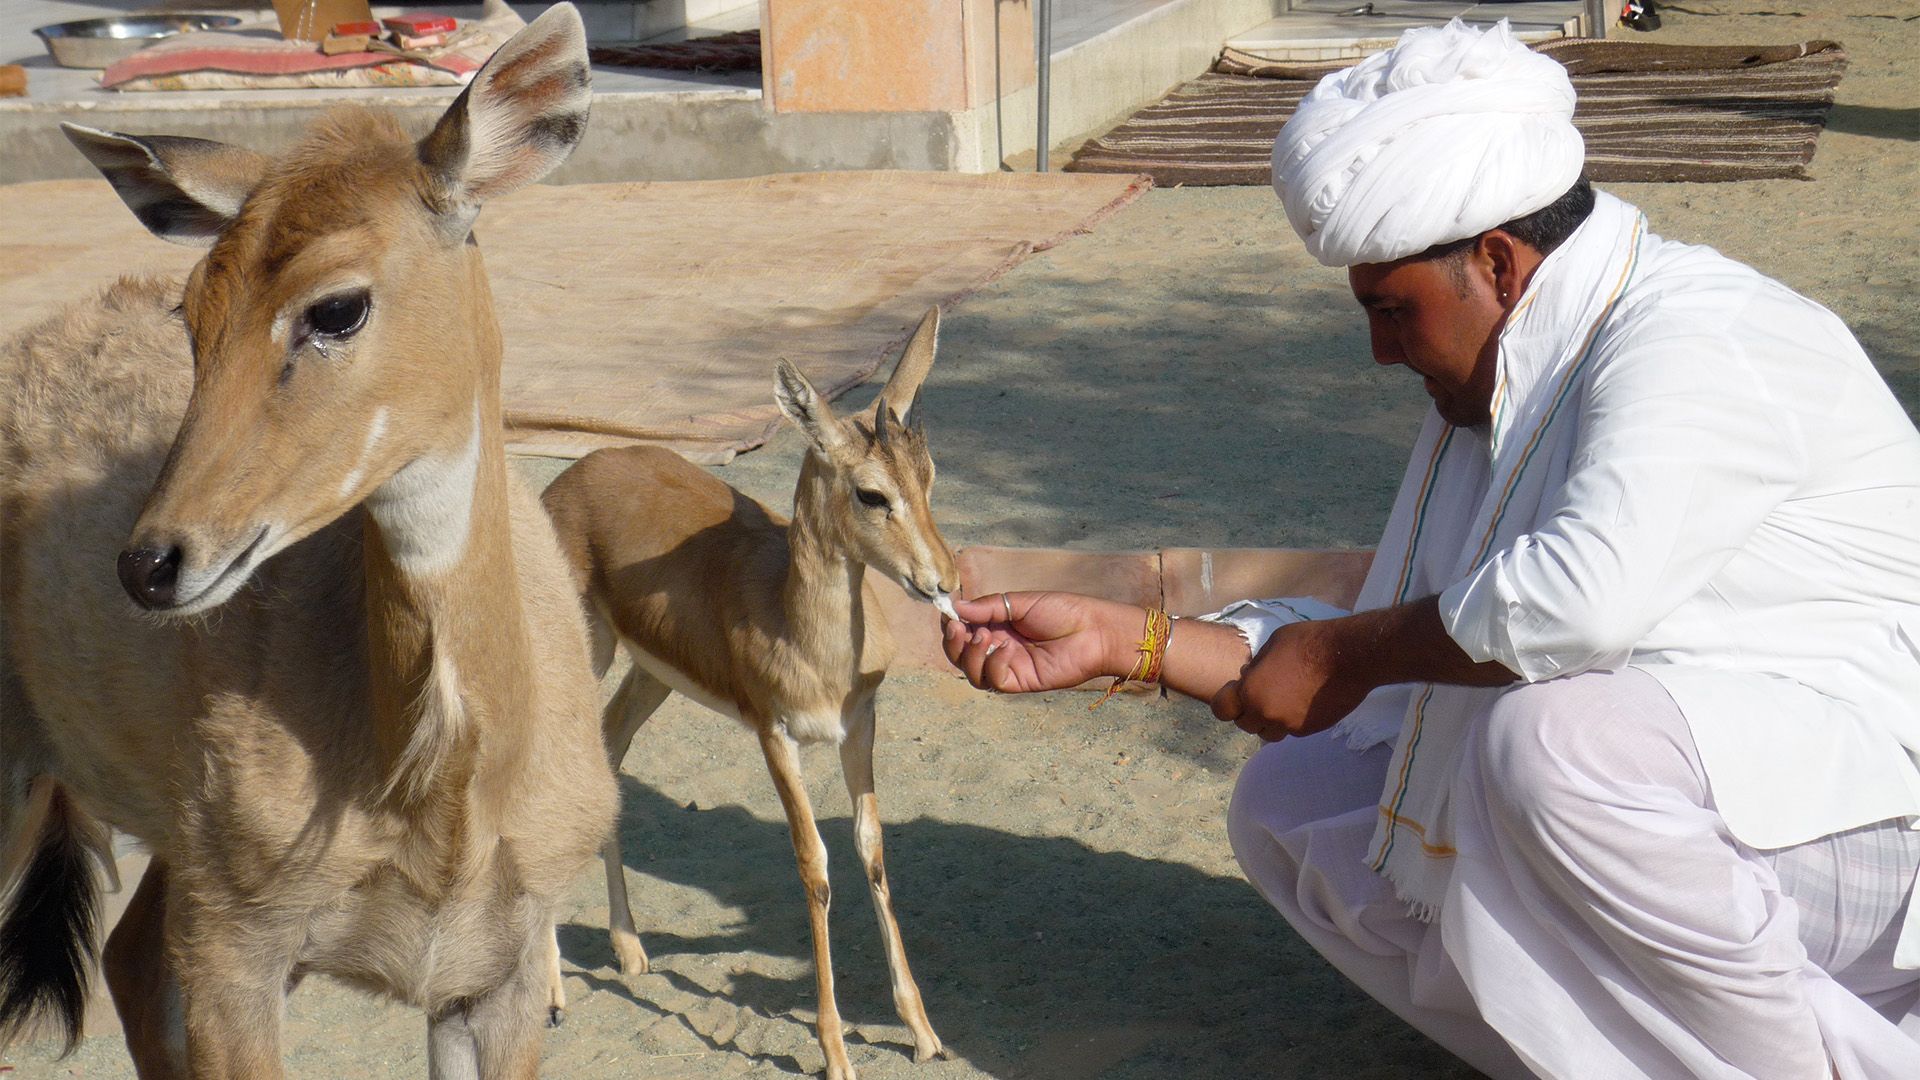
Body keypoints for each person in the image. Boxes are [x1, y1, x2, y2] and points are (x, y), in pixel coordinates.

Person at [942, 19, 1920, 1079]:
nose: (1377, 348)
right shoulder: (1511, 373)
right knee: (1296, 802)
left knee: (1556, 748)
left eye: (1393, 310)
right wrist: (1132, 642)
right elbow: (1402, 663)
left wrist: (1344, 655)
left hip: (1871, 821)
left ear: (1497, 262)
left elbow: (1567, 610)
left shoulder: (1703, 336)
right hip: (1716, 819)